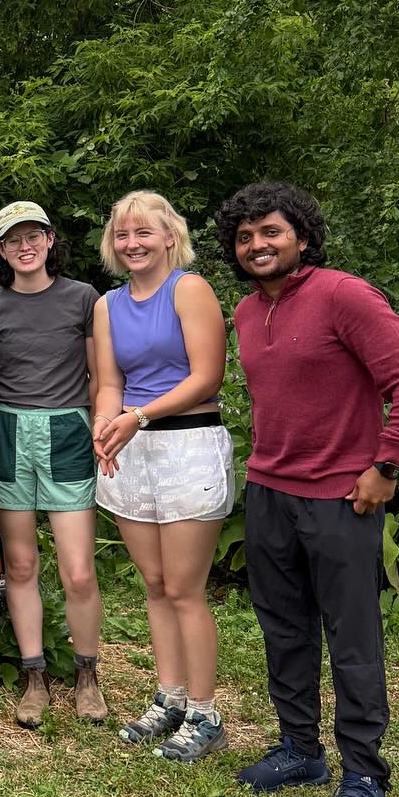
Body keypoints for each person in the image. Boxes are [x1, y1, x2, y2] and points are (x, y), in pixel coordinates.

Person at [216, 183, 399, 797]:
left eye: (270, 232)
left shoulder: (344, 295)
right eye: (245, 237)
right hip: (271, 491)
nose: (258, 245)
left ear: (301, 236)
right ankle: (301, 751)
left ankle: (364, 777)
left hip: (342, 493)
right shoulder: (247, 312)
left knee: (353, 640)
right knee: (285, 630)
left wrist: (388, 465)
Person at [93, 190, 232, 763]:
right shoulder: (107, 305)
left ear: (169, 236)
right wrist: (105, 425)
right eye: (122, 235)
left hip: (187, 447)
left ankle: (205, 711)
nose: (132, 244)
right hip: (130, 448)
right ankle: (170, 697)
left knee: (184, 588)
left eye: (144, 233)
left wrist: (139, 416)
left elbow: (207, 376)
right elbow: (108, 380)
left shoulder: (190, 289)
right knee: (154, 584)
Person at [0, 200, 106, 727]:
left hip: (68, 431)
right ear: (1, 250)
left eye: (33, 236)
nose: (24, 247)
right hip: (8, 433)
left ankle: (86, 674)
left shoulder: (84, 298)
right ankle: (34, 676)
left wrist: (101, 426)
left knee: (78, 571)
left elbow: (101, 375)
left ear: (51, 240)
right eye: (13, 239)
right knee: (21, 565)